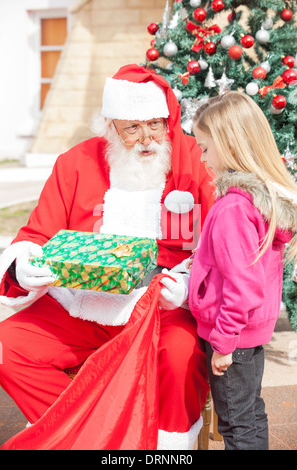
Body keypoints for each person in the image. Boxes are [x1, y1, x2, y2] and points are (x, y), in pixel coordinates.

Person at [0, 64, 215, 450]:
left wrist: (184, 285)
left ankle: (162, 449)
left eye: (155, 125)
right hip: (80, 307)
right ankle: (86, 438)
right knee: (5, 346)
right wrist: (23, 265)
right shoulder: (75, 163)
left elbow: (221, 245)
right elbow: (35, 234)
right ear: (110, 127)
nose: (147, 139)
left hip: (161, 308)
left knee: (181, 355)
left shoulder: (197, 160)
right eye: (132, 128)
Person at [187, 91, 297, 450]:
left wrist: (222, 343)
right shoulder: (255, 200)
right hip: (248, 337)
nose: (202, 159)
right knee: (250, 415)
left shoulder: (234, 206)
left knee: (236, 425)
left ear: (229, 144)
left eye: (205, 148)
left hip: (231, 338)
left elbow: (244, 287)